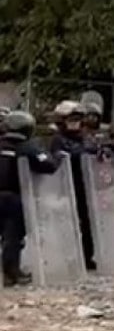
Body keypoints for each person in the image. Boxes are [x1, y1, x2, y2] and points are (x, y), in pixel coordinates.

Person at [0, 110, 61, 286]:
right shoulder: (28, 147)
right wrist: (58, 157)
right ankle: (11, 274)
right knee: (13, 236)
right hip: (14, 198)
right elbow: (48, 165)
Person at [49, 101, 98, 271]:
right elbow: (62, 157)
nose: (74, 123)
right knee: (69, 223)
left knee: (88, 222)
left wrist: (104, 151)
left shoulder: (86, 137)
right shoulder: (58, 140)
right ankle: (69, 256)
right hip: (67, 187)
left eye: (77, 119)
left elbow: (94, 149)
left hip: (86, 186)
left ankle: (87, 256)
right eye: (70, 120)